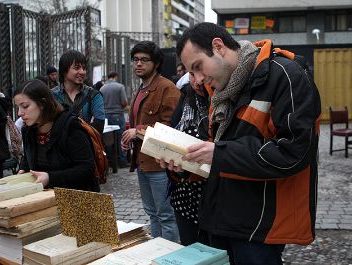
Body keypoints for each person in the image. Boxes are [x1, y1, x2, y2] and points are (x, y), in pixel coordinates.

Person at [159, 22, 321, 264]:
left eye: (198, 67)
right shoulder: (221, 88)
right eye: (192, 72)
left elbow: (294, 152)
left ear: (219, 46)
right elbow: (215, 152)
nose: (199, 79)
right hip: (220, 220)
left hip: (260, 228)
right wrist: (186, 164)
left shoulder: (285, 75)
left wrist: (218, 154)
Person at [121, 41, 180, 242]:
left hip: (160, 164)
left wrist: (136, 132)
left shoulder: (166, 88)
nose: (138, 64)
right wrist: (130, 136)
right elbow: (138, 120)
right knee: (152, 213)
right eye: (136, 60)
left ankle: (170, 257)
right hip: (142, 162)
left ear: (156, 63)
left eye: (144, 60)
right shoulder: (141, 89)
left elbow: (171, 126)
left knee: (166, 215)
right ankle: (156, 251)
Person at [15, 79, 100, 192]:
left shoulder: (70, 127)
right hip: (44, 200)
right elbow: (28, 157)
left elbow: (87, 169)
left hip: (76, 200)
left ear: (42, 103)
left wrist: (50, 178)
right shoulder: (27, 130)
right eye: (18, 107)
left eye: (25, 106)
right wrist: (23, 170)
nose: (19, 113)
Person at [167, 73, 211, 246]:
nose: (197, 81)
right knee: (189, 248)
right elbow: (173, 131)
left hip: (212, 195)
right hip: (184, 193)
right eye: (191, 74)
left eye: (201, 73)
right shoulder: (186, 97)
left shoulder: (222, 99)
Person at [52, 50, 105, 134]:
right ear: (64, 71)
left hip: (85, 145)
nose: (82, 72)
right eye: (77, 68)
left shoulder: (94, 95)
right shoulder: (52, 96)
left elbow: (98, 127)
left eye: (84, 68)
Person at [100, 71, 129, 168]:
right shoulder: (120, 87)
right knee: (121, 137)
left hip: (106, 116)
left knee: (108, 139)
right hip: (117, 115)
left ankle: (110, 161)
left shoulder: (102, 88)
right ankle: (122, 161)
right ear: (115, 77)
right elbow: (124, 102)